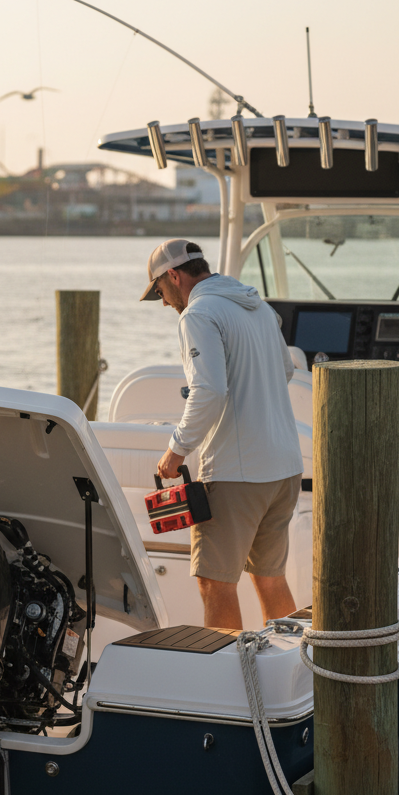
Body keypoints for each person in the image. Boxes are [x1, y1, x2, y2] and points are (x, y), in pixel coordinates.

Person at [142, 239, 303, 629]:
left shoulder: (197, 314)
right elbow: (285, 369)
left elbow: (209, 391)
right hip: (284, 468)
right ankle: (293, 673)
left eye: (160, 291)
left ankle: (232, 682)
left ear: (174, 276)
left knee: (214, 583)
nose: (164, 302)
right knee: (269, 577)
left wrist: (176, 450)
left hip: (237, 473)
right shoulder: (258, 307)